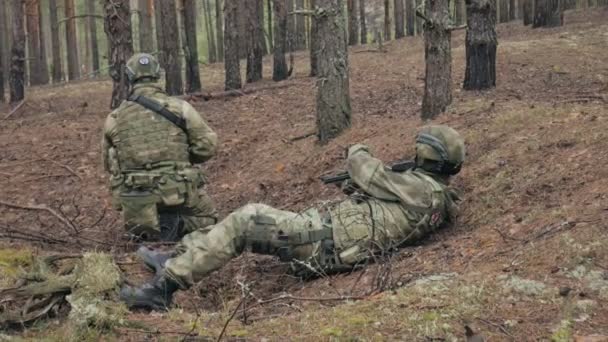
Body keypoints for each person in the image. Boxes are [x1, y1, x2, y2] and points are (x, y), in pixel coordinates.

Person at [120, 125, 466, 310]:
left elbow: (366, 170)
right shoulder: (435, 195)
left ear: (426, 155)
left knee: (245, 219)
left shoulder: (422, 189)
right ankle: (175, 258)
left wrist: (357, 148)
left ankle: (164, 288)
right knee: (242, 221)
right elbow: (385, 210)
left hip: (321, 241)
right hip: (327, 239)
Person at [102, 53, 218, 241]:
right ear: (158, 75)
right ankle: (177, 226)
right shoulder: (180, 108)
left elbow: (108, 164)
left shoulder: (114, 118)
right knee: (209, 219)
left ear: (130, 77)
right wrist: (183, 158)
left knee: (143, 231)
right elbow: (207, 147)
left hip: (138, 198)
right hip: (179, 191)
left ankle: (149, 228)